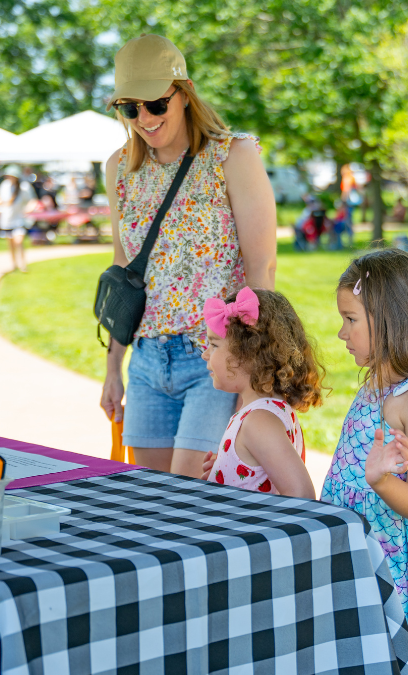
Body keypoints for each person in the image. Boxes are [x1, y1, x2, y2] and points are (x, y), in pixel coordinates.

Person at [99, 34, 277, 478]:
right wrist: (112, 368)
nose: (144, 118)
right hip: (145, 361)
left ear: (184, 93)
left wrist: (249, 376)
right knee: (155, 504)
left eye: (156, 104)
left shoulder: (232, 156)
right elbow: (123, 273)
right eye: (129, 107)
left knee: (191, 497)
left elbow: (261, 270)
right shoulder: (119, 168)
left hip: (214, 357)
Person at [322, 249, 408, 674]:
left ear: (389, 320)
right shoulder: (375, 385)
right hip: (357, 555)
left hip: (394, 569)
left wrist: (383, 483)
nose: (341, 332)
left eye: (351, 320)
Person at [197, 287, 323, 498]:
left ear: (247, 354)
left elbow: (302, 495)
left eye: (213, 344)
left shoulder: (259, 422)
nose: (205, 354)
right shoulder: (265, 412)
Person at [0, 166, 36, 272]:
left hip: (18, 219)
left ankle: (23, 264)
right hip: (7, 220)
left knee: (19, 241)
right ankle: (14, 264)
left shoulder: (24, 187)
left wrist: (28, 210)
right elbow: (0, 199)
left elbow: (32, 201)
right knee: (11, 244)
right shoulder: (5, 186)